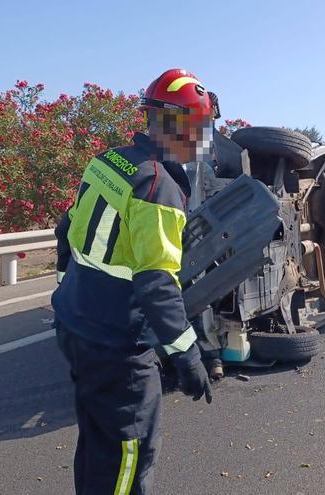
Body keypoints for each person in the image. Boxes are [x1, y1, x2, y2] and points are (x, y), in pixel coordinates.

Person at [52, 68, 215, 494]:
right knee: (129, 454)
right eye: (199, 128)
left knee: (95, 443)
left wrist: (65, 287)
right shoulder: (158, 185)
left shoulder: (108, 161)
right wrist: (188, 358)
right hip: (116, 343)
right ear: (180, 127)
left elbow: (66, 227)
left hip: (75, 324)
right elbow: (157, 283)